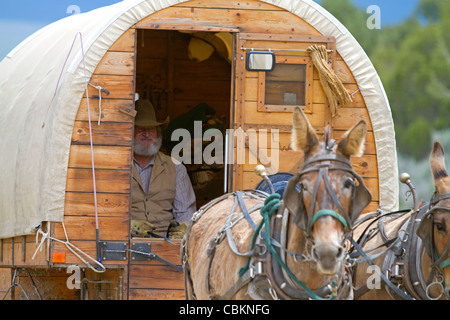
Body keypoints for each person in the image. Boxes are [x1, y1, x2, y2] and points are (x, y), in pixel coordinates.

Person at [131, 99, 196, 239]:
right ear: (130, 132)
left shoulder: (176, 168)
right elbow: (105, 210)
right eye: (140, 129)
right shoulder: (117, 166)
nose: (146, 134)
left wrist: (182, 232)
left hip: (165, 245)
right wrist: (126, 226)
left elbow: (185, 213)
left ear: (158, 134)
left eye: (151, 130)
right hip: (123, 245)